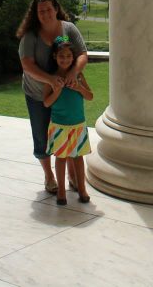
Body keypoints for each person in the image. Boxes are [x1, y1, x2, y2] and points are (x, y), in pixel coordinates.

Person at [17, 0, 88, 194]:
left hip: (65, 95)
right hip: (37, 94)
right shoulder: (30, 36)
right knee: (42, 135)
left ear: (56, 9)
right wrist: (50, 79)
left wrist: (73, 73)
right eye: (41, 11)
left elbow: (82, 54)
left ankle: (73, 176)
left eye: (49, 9)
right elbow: (27, 65)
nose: (45, 13)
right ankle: (49, 176)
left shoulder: (68, 29)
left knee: (68, 133)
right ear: (36, 14)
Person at [43, 36, 93, 205]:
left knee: (78, 157)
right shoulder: (51, 78)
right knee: (61, 158)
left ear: (73, 57)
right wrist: (57, 90)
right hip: (59, 126)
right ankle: (61, 192)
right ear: (55, 57)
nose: (65, 59)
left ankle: (82, 189)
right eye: (61, 56)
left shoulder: (78, 76)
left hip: (78, 125)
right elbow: (46, 102)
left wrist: (79, 87)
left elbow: (90, 96)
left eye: (69, 56)